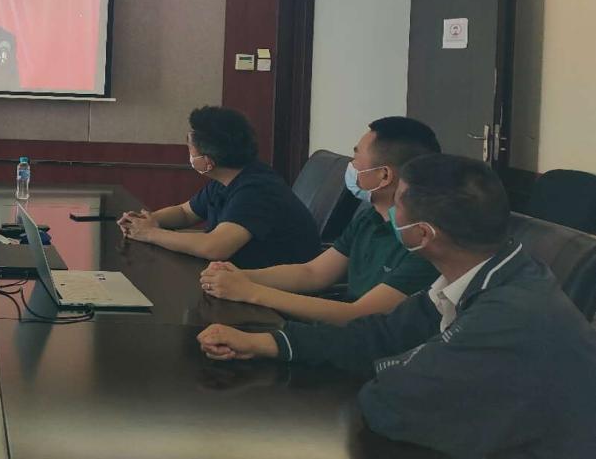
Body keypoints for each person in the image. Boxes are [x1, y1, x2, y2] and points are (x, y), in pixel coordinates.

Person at [197, 154, 596, 457]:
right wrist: (268, 342)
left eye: (399, 203)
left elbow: (390, 402)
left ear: (422, 234)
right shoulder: (486, 272)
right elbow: (380, 335)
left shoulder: (508, 313)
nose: (390, 211)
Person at [200, 117, 440, 324]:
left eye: (356, 158)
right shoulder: (370, 217)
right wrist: (240, 276)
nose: (350, 166)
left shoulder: (423, 243)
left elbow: (359, 315)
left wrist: (249, 291)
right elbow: (313, 273)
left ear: (384, 175)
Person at [118, 106, 320, 268]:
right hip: (241, 277)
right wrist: (146, 221)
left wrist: (151, 233)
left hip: (274, 289)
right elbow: (185, 213)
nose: (189, 154)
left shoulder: (257, 190)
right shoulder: (228, 178)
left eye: (190, 150)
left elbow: (215, 247)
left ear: (208, 162)